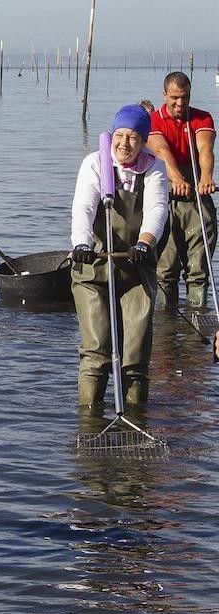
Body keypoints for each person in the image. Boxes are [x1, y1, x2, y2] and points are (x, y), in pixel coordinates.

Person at [69, 104, 168, 407]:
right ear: (112, 135)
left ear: (143, 141)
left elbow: (157, 209)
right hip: (94, 267)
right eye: (120, 135)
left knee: (135, 354)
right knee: (98, 350)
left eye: (133, 137)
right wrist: (82, 244)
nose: (125, 144)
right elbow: (84, 207)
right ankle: (89, 420)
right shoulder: (95, 163)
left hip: (135, 267)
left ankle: (136, 417)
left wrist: (145, 243)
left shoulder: (154, 167)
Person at [146, 72, 217, 311]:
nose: (180, 104)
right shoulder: (154, 120)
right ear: (164, 94)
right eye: (174, 98)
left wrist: (206, 177)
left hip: (195, 191)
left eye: (184, 98)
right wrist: (176, 178)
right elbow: (161, 150)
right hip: (164, 190)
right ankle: (166, 322)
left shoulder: (201, 118)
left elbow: (205, 148)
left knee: (199, 264)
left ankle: (198, 312)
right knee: (166, 266)